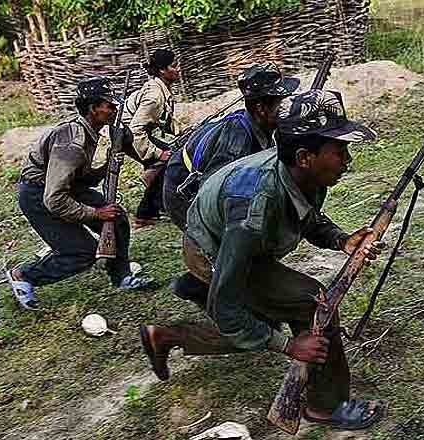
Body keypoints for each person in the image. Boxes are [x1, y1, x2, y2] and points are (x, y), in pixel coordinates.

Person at [140, 90, 387, 430]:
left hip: (234, 242)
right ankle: (326, 405)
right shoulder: (253, 208)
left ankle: (167, 335)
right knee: (310, 302)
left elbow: (306, 215)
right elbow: (226, 306)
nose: (347, 160)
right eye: (340, 151)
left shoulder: (304, 172)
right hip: (214, 251)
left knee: (259, 324)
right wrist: (289, 346)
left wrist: (340, 239)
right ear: (305, 157)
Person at [6, 77, 153, 310]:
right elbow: (54, 198)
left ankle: (121, 276)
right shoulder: (72, 144)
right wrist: (96, 213)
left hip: (65, 189)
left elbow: (81, 179)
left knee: (116, 217)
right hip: (38, 195)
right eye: (109, 105)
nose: (115, 110)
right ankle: (24, 275)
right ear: (94, 109)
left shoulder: (89, 132)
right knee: (81, 253)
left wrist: (109, 163)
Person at [162, 62, 299, 231]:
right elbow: (211, 193)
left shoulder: (260, 125)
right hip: (184, 194)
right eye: (281, 103)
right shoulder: (236, 145)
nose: (288, 107)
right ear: (261, 109)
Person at [122, 48, 178, 229]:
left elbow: (163, 118)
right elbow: (135, 130)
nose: (178, 69)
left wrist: (181, 132)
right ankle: (145, 214)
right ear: (162, 70)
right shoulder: (154, 96)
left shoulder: (161, 88)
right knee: (168, 160)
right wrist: (158, 154)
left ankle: (160, 203)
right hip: (124, 134)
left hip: (131, 132)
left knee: (168, 156)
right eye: (173, 66)